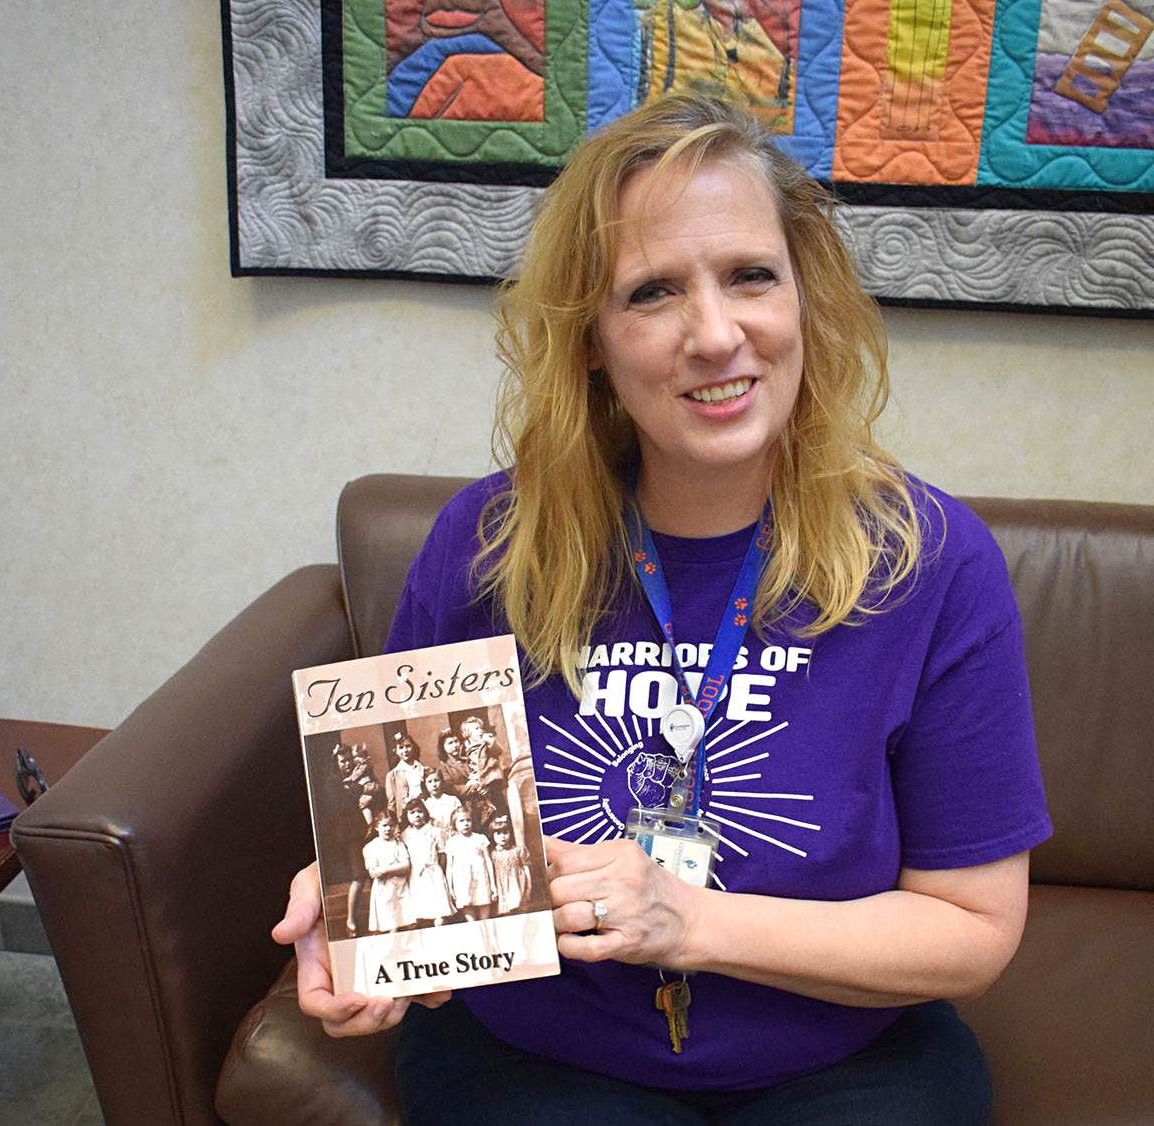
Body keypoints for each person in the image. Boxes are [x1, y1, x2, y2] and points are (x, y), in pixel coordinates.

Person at [274, 91, 1051, 1124]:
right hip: (538, 1056)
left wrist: (688, 921)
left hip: (852, 1057)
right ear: (590, 338)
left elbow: (973, 927)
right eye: (651, 293)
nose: (716, 334)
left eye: (750, 277)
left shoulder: (932, 562)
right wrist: (358, 912)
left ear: (804, 297)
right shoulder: (484, 542)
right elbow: (415, 859)